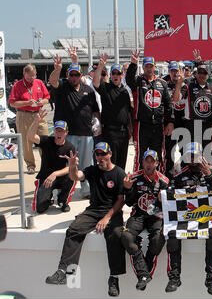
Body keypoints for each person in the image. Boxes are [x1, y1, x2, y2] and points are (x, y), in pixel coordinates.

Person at [45, 142, 126, 297]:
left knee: (115, 234)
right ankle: (64, 271)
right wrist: (72, 166)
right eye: (97, 154)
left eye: (103, 154)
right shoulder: (92, 170)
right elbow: (76, 176)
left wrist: (106, 218)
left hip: (112, 212)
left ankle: (114, 278)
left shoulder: (119, 173)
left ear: (110, 154)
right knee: (74, 229)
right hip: (94, 210)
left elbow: (121, 201)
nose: (100, 157)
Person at [165, 142, 212, 295]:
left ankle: (211, 279)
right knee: (172, 235)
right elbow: (170, 198)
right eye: (190, 156)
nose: (193, 159)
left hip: (208, 216)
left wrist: (209, 176)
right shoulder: (179, 175)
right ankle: (174, 277)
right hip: (187, 217)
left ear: (201, 155)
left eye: (195, 155)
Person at [49, 56, 100, 199]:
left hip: (86, 133)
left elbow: (95, 110)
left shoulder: (88, 90)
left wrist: (98, 123)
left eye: (76, 75)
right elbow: (53, 81)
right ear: (67, 75)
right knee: (65, 165)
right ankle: (62, 193)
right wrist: (57, 69)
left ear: (81, 76)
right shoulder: (62, 87)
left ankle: (86, 191)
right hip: (67, 134)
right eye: (71, 74)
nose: (73, 77)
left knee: (86, 164)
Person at [119, 149, 169, 291]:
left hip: (156, 216)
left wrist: (162, 200)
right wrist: (127, 189)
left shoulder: (164, 181)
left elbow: (169, 206)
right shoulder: (134, 177)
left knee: (159, 237)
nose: (148, 164)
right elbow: (128, 203)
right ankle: (144, 273)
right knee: (126, 236)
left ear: (157, 163)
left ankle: (144, 271)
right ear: (142, 162)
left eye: (151, 161)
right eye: (146, 160)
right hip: (138, 215)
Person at [125, 50, 173, 171]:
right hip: (141, 124)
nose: (149, 69)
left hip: (158, 125)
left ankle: (158, 180)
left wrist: (170, 122)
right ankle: (138, 180)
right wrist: (133, 64)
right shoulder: (138, 81)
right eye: (146, 66)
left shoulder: (162, 83)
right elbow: (129, 79)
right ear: (143, 67)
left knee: (158, 154)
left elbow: (168, 105)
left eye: (151, 66)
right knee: (140, 155)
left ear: (155, 67)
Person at [27, 111, 76, 213]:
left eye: (62, 131)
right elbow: (30, 136)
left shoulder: (70, 147)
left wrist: (55, 174)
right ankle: (48, 198)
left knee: (73, 176)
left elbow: (70, 167)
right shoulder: (46, 141)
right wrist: (36, 121)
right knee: (39, 209)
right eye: (57, 131)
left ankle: (63, 200)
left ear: (66, 132)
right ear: (54, 131)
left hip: (61, 177)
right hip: (46, 177)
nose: (59, 133)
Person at [93, 53, 133, 170]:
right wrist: (101, 66)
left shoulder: (125, 91)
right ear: (110, 75)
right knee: (111, 162)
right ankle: (111, 186)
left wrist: (130, 129)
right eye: (113, 73)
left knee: (122, 162)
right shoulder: (106, 88)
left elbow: (128, 112)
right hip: (110, 132)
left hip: (124, 132)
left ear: (122, 75)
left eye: (118, 73)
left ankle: (120, 185)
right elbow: (95, 82)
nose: (116, 75)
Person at [8, 64, 50, 174]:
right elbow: (12, 103)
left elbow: (47, 97)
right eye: (28, 77)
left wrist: (43, 102)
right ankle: (30, 165)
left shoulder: (39, 83)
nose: (31, 79)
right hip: (24, 114)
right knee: (26, 141)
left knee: (44, 138)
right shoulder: (17, 85)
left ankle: (47, 164)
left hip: (39, 113)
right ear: (24, 74)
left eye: (33, 76)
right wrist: (27, 102)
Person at [173, 62, 212, 151]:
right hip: (192, 124)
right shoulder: (189, 86)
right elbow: (176, 99)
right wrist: (179, 83)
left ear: (208, 75)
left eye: (204, 73)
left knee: (206, 154)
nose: (202, 75)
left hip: (207, 125)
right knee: (191, 154)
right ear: (196, 74)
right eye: (200, 73)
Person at [164, 61, 187, 177]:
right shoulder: (164, 83)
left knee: (184, 152)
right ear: (169, 72)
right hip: (169, 124)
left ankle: (183, 176)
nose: (174, 73)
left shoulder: (184, 85)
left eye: (176, 71)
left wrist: (179, 83)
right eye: (172, 71)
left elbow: (176, 99)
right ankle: (168, 177)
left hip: (182, 123)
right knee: (169, 153)